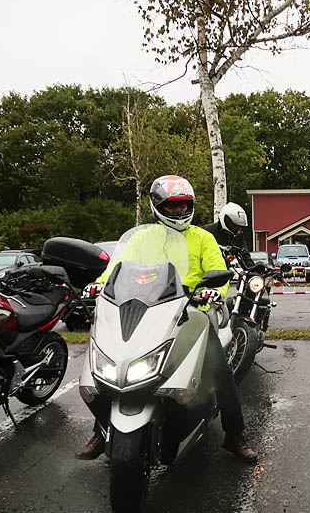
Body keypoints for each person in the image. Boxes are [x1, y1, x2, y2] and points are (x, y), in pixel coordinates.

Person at [75, 175, 257, 462]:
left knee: (219, 372)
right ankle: (102, 430)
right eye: (170, 207)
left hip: (192, 310)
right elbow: (115, 270)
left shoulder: (203, 238)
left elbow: (218, 272)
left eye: (183, 205)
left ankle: (235, 434)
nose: (178, 212)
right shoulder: (140, 237)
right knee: (112, 362)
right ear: (156, 207)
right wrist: (100, 284)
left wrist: (212, 292)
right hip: (144, 309)